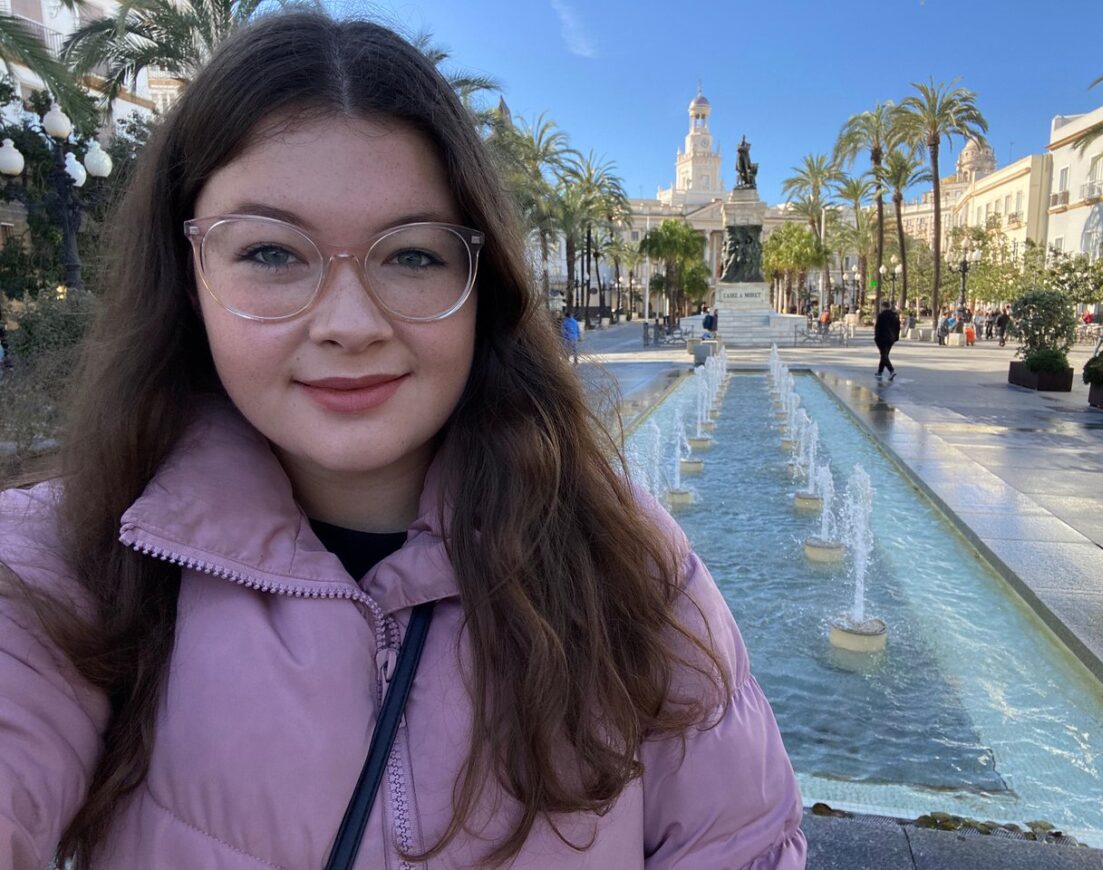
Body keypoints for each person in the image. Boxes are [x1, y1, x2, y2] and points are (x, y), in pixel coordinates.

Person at [0, 13, 805, 870]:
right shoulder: (63, 567)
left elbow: (740, 843)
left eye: (413, 257)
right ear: (188, 277)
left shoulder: (633, 567)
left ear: (481, 281)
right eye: (272, 253)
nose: (350, 324)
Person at [874, 300, 901, 380]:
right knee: (885, 355)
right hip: (891, 338)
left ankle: (891, 370)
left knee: (884, 355)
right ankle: (880, 372)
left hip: (882, 338)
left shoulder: (881, 315)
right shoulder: (895, 315)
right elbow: (897, 328)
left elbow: (878, 328)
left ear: (883, 306)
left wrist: (876, 337)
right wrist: (896, 337)